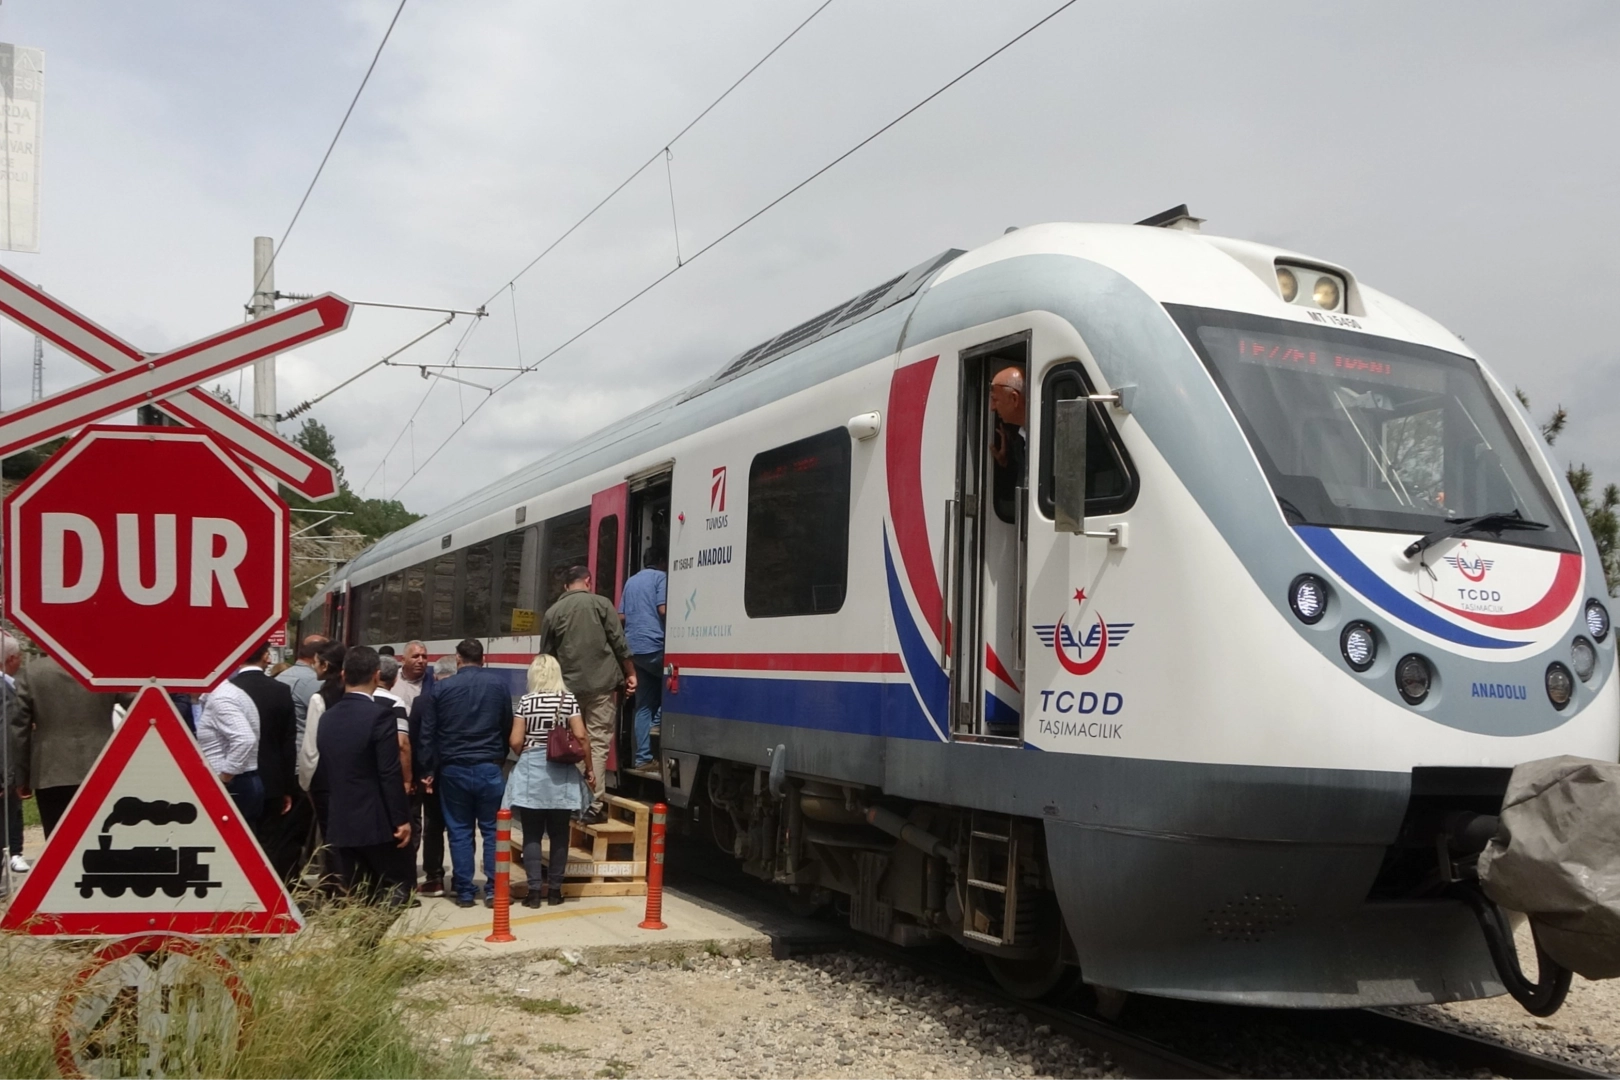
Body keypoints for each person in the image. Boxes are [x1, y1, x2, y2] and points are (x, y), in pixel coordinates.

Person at [416, 639, 514, 908]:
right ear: (483, 659)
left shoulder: (441, 689)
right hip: (489, 766)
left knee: (459, 831)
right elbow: (506, 724)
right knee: (492, 831)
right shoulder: (498, 686)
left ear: (458, 659)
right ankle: (494, 890)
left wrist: (427, 769)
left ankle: (464, 892)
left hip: (453, 769)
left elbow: (428, 733)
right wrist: (499, 757)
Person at [315, 646, 413, 906]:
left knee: (355, 893)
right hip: (374, 822)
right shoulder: (380, 715)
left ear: (343, 674)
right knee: (394, 891)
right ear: (376, 675)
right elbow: (388, 771)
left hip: (339, 822)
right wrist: (401, 819)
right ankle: (373, 932)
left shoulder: (327, 718)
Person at [540, 566, 634, 823]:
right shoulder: (602, 604)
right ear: (589, 581)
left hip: (568, 689)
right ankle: (593, 804)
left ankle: (575, 801)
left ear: (565, 586)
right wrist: (630, 673)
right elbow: (619, 642)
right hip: (602, 686)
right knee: (598, 743)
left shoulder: (553, 612)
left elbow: (546, 656)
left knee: (574, 742)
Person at [506, 654, 592, 908]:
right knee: (559, 833)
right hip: (561, 772)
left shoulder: (526, 701)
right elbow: (582, 736)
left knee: (532, 833)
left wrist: (526, 751)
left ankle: (533, 893)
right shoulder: (568, 700)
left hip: (531, 770)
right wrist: (589, 768)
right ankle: (555, 892)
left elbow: (515, 740)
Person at [9, 654, 125, 836]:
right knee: (102, 834)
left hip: (50, 770)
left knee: (58, 837)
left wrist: (22, 775)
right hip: (102, 763)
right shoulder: (105, 667)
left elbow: (19, 729)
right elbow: (142, 702)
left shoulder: (33, 672)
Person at [231, 642, 301, 881]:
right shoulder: (280, 690)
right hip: (272, 780)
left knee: (237, 839)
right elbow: (288, 742)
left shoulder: (228, 690)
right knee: (269, 842)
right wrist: (288, 788)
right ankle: (266, 888)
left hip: (236, 779)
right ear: (266, 656)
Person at [407, 656, 457, 896]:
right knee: (461, 826)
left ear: (435, 676)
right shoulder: (462, 698)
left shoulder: (421, 701)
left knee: (433, 825)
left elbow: (415, 740)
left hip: (431, 775)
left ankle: (434, 877)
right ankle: (461, 879)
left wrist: (421, 773)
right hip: (457, 769)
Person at [617, 547, 667, 769]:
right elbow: (663, 609)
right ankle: (657, 723)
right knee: (677, 686)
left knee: (643, 704)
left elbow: (621, 616)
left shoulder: (631, 581)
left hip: (634, 650)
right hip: (655, 646)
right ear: (662, 561)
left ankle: (643, 758)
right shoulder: (661, 577)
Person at [196, 674, 263, 824]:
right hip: (241, 780)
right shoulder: (230, 693)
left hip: (233, 783)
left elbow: (245, 739)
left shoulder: (221, 699)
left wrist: (224, 778)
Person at [1, 634, 27, 874]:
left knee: (14, 811)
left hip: (9, 766)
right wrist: (7, 774)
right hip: (5, 766)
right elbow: (6, 732)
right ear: (11, 659)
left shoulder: (11, 685)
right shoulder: (5, 689)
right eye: (19, 656)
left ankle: (15, 851)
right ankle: (12, 852)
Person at [277, 633, 328, 747]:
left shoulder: (281, 676)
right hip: (304, 746)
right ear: (317, 657)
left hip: (282, 745)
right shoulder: (315, 681)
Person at [375, 655, 412, 796]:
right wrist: (407, 779)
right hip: (388, 772)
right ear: (395, 679)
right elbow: (402, 744)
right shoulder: (395, 703)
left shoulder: (360, 699)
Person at [393, 641, 433, 713]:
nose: (421, 661)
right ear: (403, 660)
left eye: (424, 657)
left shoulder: (432, 682)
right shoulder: (391, 677)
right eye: (415, 656)